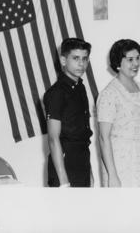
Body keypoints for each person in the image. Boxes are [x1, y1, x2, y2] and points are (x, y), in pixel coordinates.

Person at [97, 39, 140, 187]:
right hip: (120, 163)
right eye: (130, 60)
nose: (136, 63)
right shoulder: (109, 94)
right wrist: (112, 175)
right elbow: (103, 138)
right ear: (117, 63)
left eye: (137, 58)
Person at [44, 38, 93, 188]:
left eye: (85, 59)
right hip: (64, 166)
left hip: (82, 162)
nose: (81, 63)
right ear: (63, 60)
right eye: (76, 58)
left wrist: (89, 172)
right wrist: (63, 181)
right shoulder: (56, 93)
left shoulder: (80, 88)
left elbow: (83, 136)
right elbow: (53, 139)